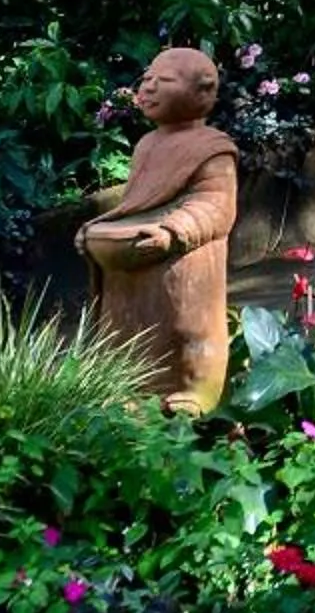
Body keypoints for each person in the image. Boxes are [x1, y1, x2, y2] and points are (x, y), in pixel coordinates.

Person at [78, 46, 238, 413]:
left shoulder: (213, 148)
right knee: (123, 322)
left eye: (162, 81)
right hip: (137, 252)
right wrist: (97, 227)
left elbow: (216, 204)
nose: (147, 87)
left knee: (188, 327)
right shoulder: (146, 144)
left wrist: (175, 230)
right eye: (146, 79)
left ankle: (198, 392)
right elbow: (137, 203)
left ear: (203, 92)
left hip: (185, 256)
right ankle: (129, 387)